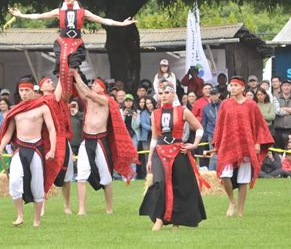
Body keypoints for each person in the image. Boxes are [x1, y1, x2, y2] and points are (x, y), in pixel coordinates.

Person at [9, 0, 136, 99]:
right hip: (62, 42)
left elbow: (102, 20)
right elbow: (39, 15)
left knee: (73, 68)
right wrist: (21, 15)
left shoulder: (83, 12)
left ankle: (76, 92)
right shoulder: (59, 11)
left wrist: (122, 24)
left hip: (76, 43)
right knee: (61, 68)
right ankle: (60, 94)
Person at [139, 80, 208, 231]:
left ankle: (177, 221)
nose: (163, 96)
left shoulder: (182, 110)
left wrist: (194, 145)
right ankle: (159, 219)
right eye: (161, 93)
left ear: (173, 94)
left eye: (167, 92)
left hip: (178, 150)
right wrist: (150, 158)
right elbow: (154, 138)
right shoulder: (155, 114)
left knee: (179, 185)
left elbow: (199, 128)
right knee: (159, 183)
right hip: (160, 151)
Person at [0, 77, 62, 227]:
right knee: (14, 182)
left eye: (27, 90)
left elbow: (52, 129)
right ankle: (20, 216)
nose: (24, 93)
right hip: (20, 149)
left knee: (37, 185)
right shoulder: (15, 110)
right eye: (21, 90)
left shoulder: (43, 107)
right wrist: (0, 147)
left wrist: (52, 149)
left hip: (37, 149)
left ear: (33, 91)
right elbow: (8, 133)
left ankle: (37, 220)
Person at [72, 69, 137, 215]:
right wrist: (71, 75)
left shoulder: (106, 100)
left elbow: (87, 92)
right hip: (86, 140)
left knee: (106, 177)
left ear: (102, 87)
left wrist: (77, 76)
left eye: (95, 84)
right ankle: (82, 209)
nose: (92, 85)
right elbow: (79, 90)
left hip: (100, 140)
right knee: (81, 175)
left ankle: (109, 209)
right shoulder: (89, 99)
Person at [214, 76, 274, 217]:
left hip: (247, 145)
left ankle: (240, 211)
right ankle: (232, 201)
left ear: (242, 88)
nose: (233, 88)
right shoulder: (225, 104)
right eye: (231, 85)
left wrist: (258, 143)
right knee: (225, 174)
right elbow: (220, 125)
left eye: (235, 85)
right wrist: (218, 142)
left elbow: (259, 125)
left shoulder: (251, 105)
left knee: (243, 179)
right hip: (228, 145)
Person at [39, 77, 75, 214]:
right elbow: (59, 90)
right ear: (41, 88)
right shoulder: (44, 101)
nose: (51, 83)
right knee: (44, 174)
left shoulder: (59, 100)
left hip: (63, 140)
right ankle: (41, 207)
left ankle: (67, 206)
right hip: (47, 142)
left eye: (52, 81)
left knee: (67, 175)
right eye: (48, 82)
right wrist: (63, 67)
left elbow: (63, 92)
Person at [272, 79, 291, 150]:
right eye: (285, 85)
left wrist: (283, 108)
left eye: (288, 85)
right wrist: (290, 110)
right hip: (279, 129)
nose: (286, 87)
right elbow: (277, 111)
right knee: (278, 150)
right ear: (281, 87)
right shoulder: (275, 97)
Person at [202, 88, 222, 170]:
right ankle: (212, 172)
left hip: (223, 133)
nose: (213, 96)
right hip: (211, 134)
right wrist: (205, 135)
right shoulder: (206, 108)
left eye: (215, 94)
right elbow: (204, 122)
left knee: (223, 153)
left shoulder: (224, 105)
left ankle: (223, 172)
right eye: (212, 95)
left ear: (218, 95)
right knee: (213, 154)